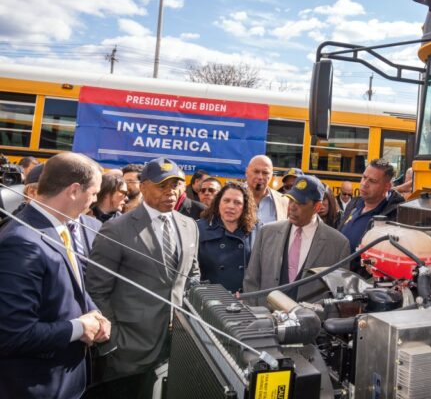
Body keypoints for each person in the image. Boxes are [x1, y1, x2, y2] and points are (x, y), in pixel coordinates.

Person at [86, 157, 200, 399]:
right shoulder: (116, 229)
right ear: (143, 186)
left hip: (176, 348)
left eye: (176, 184)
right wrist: (114, 341)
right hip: (129, 353)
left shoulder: (190, 225)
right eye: (162, 185)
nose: (171, 192)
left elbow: (192, 277)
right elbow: (96, 289)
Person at [0, 152, 110, 399]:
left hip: (63, 383)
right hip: (35, 387)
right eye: (93, 193)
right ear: (73, 190)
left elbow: (71, 286)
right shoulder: (22, 242)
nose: (94, 201)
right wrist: (80, 327)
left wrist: (92, 312)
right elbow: (12, 334)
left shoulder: (60, 226)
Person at [243, 175, 350, 306]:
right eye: (291, 200)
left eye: (300, 203)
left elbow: (339, 298)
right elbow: (251, 281)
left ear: (317, 207)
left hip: (311, 324)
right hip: (265, 321)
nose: (292, 207)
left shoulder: (338, 244)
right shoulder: (266, 232)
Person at [196, 182, 257, 293]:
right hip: (210, 299)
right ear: (219, 202)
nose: (231, 206)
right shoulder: (199, 228)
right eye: (226, 201)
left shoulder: (257, 230)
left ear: (245, 207)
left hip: (245, 300)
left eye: (237, 202)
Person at [339, 159, 405, 253]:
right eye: (364, 177)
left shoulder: (395, 216)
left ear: (387, 187)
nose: (364, 184)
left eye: (372, 181)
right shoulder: (354, 203)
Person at [245, 155, 288, 227]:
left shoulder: (283, 201)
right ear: (246, 172)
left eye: (265, 173)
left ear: (271, 175)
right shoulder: (231, 197)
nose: (260, 177)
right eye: (256, 171)